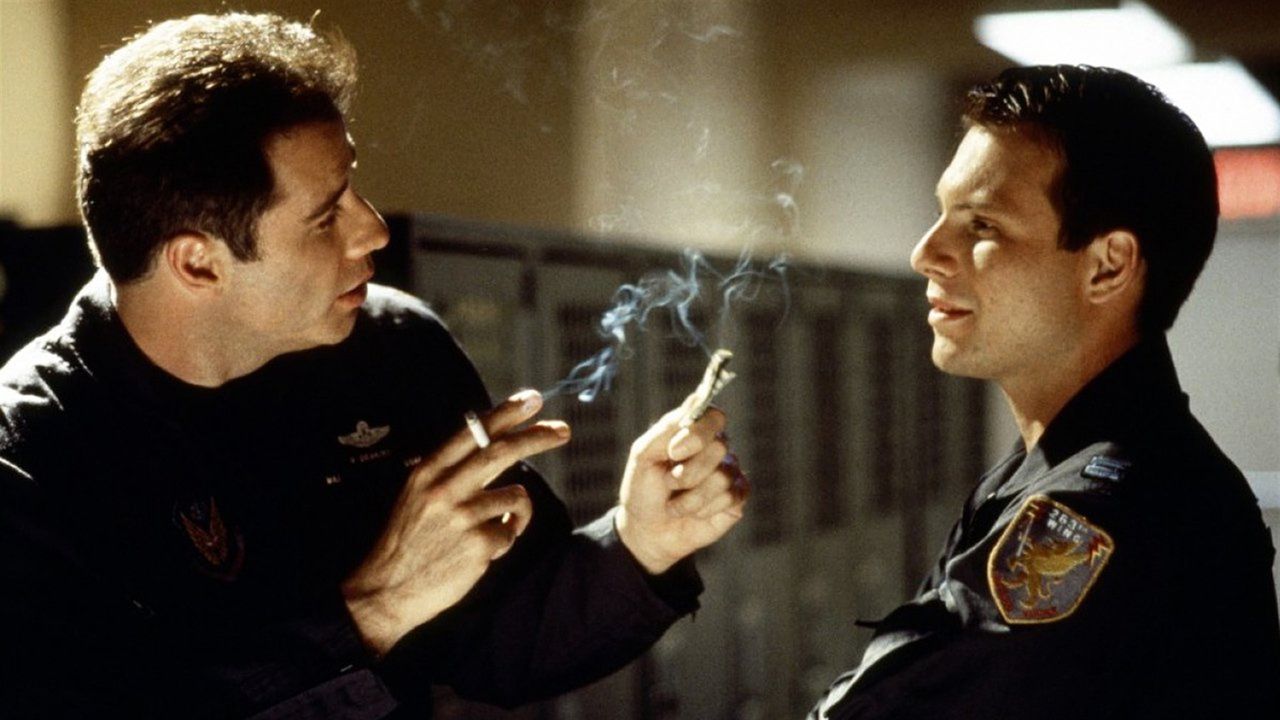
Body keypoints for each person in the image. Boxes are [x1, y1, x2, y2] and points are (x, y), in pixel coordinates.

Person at [0, 13, 748, 719]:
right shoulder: (29, 459)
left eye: (352, 189)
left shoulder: (394, 345)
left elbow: (501, 635)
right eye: (326, 216)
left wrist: (641, 542)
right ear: (198, 264)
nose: (375, 230)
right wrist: (376, 610)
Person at [809, 65, 1280, 719]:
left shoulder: (1104, 512)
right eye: (941, 214)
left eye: (982, 226)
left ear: (1108, 266)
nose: (926, 253)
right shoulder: (1050, 470)